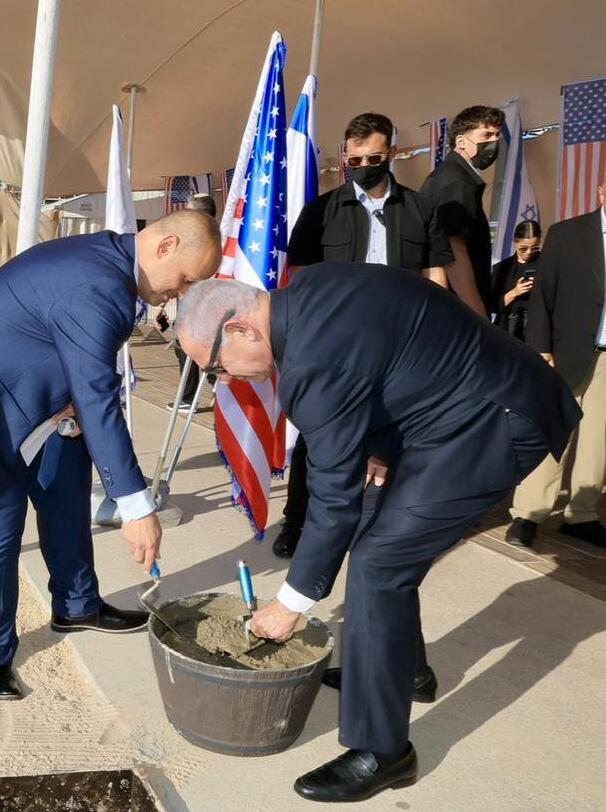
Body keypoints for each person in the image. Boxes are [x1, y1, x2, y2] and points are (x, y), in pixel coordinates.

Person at [175, 266, 578, 802]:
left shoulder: (310, 365)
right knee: (376, 529)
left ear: (241, 329)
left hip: (496, 418)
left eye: (214, 366)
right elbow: (396, 352)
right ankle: (403, 673)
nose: (224, 380)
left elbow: (331, 503)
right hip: (451, 409)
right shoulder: (312, 294)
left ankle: (384, 751)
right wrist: (382, 449)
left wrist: (290, 603)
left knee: (379, 563)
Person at [0, 211, 221, 700]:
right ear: (165, 246)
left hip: (41, 394)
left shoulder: (111, 261)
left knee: (66, 490)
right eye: (185, 279)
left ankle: (76, 605)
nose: (180, 292)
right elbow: (99, 397)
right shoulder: (99, 284)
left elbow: (79, 361)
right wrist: (136, 507)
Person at [273, 112, 454, 558]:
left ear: (391, 152)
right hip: (337, 342)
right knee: (321, 434)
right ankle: (297, 519)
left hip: (401, 343)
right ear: (344, 156)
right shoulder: (321, 212)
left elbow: (436, 276)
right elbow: (300, 277)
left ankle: (387, 528)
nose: (364, 165)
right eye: (355, 159)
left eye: (374, 157)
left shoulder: (420, 209)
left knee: (397, 435)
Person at [505, 183, 606, 549]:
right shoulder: (567, 234)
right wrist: (541, 348)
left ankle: (581, 514)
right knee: (552, 432)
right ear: (601, 192)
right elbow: (543, 295)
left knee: (599, 439)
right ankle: (528, 513)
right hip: (564, 352)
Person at [420, 105, 505, 317]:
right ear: (460, 142)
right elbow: (454, 253)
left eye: (497, 135)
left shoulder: (451, 177)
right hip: (455, 309)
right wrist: (478, 315)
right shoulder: (457, 182)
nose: (494, 142)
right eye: (486, 134)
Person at [158, 193, 218, 412]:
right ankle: (213, 385)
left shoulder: (201, 237)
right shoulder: (215, 234)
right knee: (199, 347)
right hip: (200, 299)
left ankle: (189, 396)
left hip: (198, 300)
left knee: (188, 348)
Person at [492, 220, 542, 342]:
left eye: (534, 248)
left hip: (536, 329)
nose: (529, 253)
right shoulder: (502, 268)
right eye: (523, 249)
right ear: (515, 243)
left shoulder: (546, 264)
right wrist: (515, 292)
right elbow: (492, 305)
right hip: (508, 329)